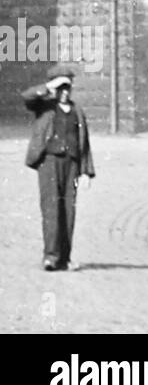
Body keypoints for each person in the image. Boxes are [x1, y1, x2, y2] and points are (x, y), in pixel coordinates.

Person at [22, 64, 95, 272]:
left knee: (68, 211)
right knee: (51, 208)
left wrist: (86, 171)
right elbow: (26, 97)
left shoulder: (77, 111)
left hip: (70, 164)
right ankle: (51, 257)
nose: (64, 92)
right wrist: (47, 88)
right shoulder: (43, 107)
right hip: (50, 162)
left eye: (67, 88)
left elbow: (84, 142)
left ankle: (65, 258)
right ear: (55, 88)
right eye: (60, 88)